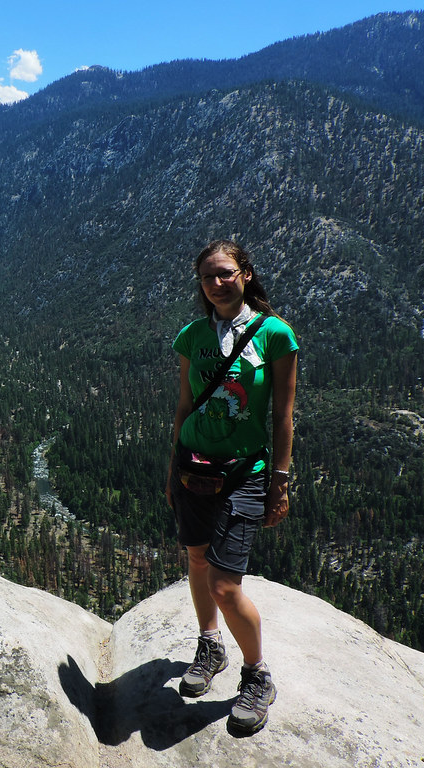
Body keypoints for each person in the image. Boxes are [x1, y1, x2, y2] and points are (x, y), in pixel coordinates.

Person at [165, 239, 298, 735]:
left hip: (245, 472)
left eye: (224, 273)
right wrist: (169, 468)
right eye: (207, 277)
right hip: (193, 465)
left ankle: (257, 673)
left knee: (224, 582)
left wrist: (279, 483)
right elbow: (185, 406)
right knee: (197, 559)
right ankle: (209, 644)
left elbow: (283, 417)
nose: (216, 283)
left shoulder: (276, 335)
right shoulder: (192, 337)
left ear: (244, 273)